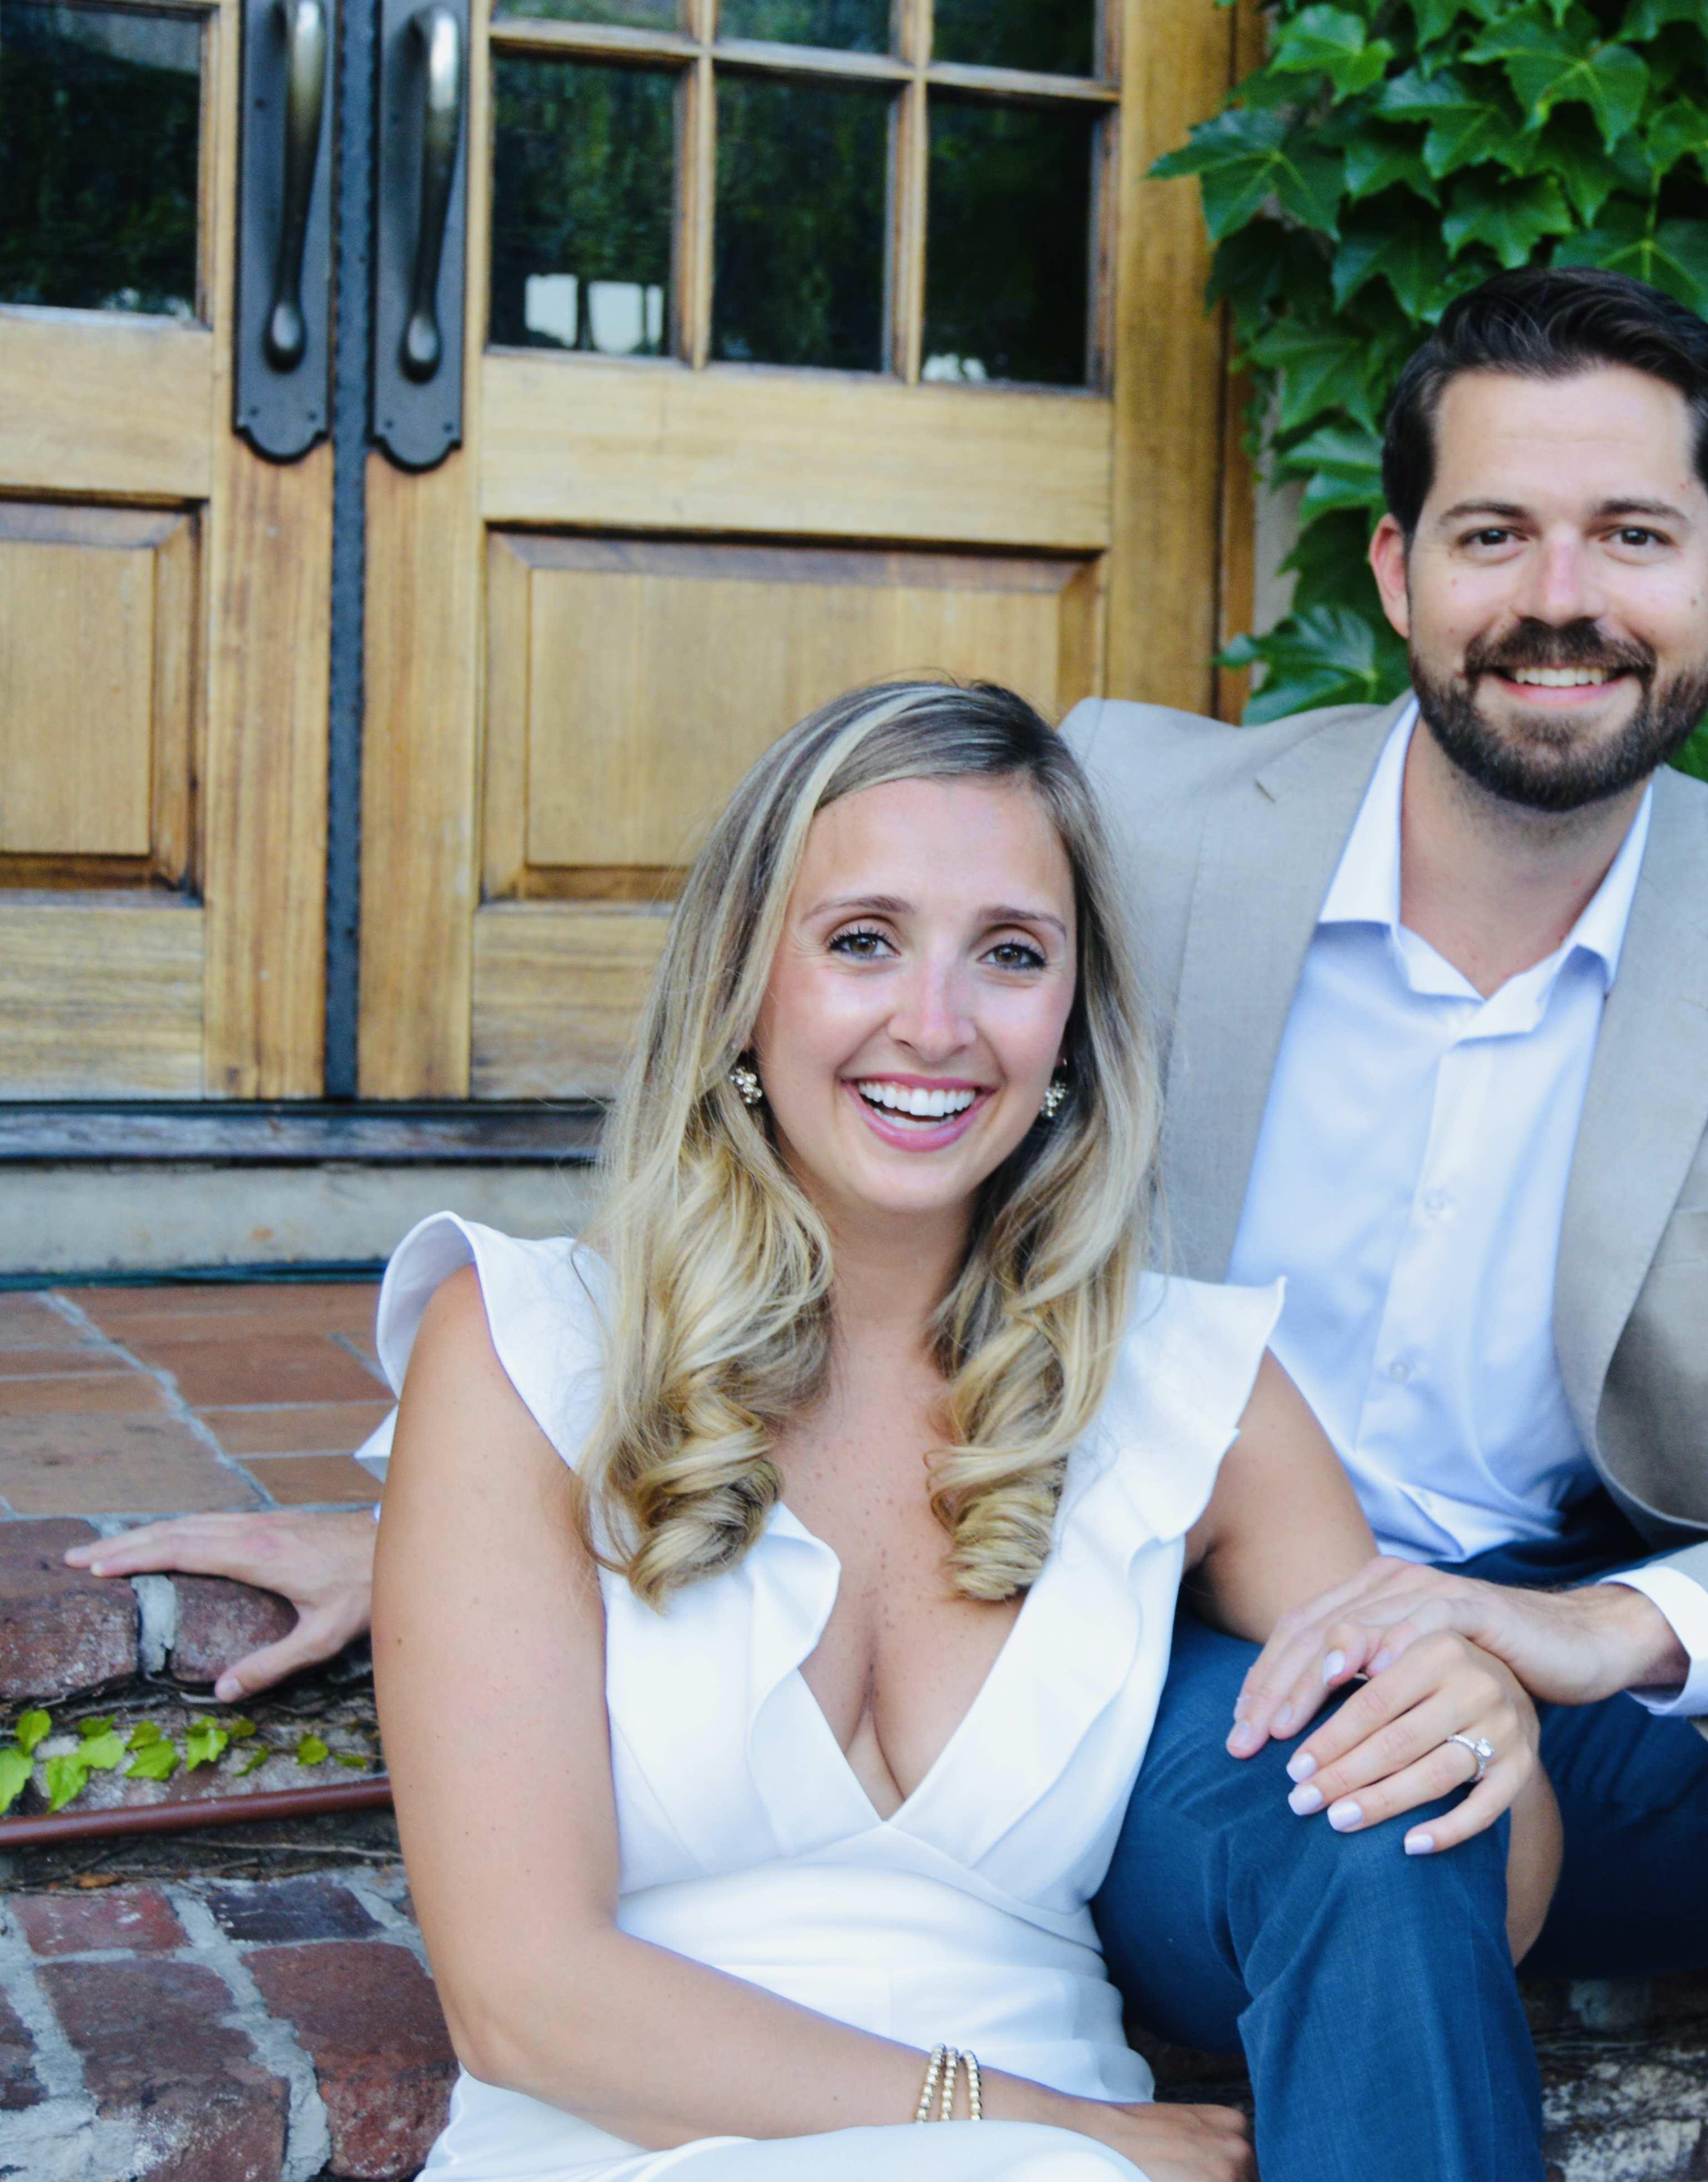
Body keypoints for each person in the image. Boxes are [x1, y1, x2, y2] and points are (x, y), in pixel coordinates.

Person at [71, 267, 1708, 2177]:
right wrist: (491, 1521)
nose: (1559, 597)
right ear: (1395, 569)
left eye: (1633, 535)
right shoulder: (1136, 817)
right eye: (1494, 532)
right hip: (1180, 1651)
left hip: (1584, 1671)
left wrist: (1603, 1637)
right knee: (1368, 1787)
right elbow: (832, 1047)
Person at [365, 679, 1558, 2181]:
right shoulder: (530, 1351)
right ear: (743, 983)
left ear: (1072, 1020)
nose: (935, 1026)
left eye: (1010, 954)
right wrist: (1048, 2125)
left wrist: (1492, 1740)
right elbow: (525, 2000)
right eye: (863, 941)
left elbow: (1465, 1912)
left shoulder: (1191, 1391)